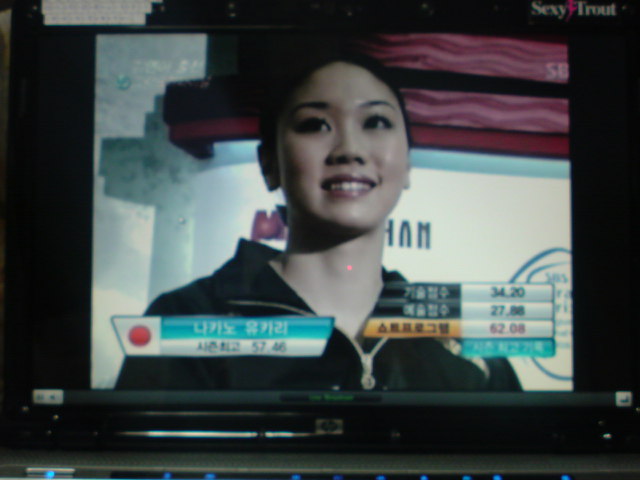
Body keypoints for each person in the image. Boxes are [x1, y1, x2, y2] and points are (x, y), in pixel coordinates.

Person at [116, 53, 521, 391]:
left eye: (376, 122)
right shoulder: (185, 320)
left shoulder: (469, 347)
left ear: (409, 163)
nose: (350, 149)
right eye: (315, 124)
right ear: (269, 163)